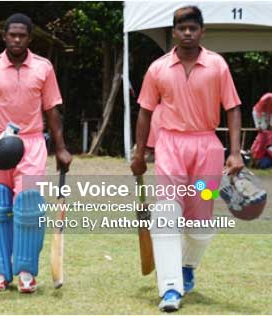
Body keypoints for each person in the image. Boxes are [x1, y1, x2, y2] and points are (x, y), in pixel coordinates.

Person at [131, 6, 243, 312]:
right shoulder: (158, 68)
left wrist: (234, 153)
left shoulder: (217, 65)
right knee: (166, 213)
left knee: (201, 223)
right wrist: (140, 153)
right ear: (174, 32)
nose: (188, 33)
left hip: (207, 148)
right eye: (182, 28)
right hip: (170, 146)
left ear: (202, 31)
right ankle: (170, 289)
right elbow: (145, 111)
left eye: (194, 28)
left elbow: (233, 108)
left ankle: (187, 264)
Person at [0, 13, 71, 294]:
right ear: (4, 37)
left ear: (29, 38)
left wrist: (61, 148)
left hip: (32, 143)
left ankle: (26, 272)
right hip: (1, 145)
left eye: (22, 35)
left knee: (29, 205)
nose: (16, 39)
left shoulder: (43, 67)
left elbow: (52, 109)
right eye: (12, 35)